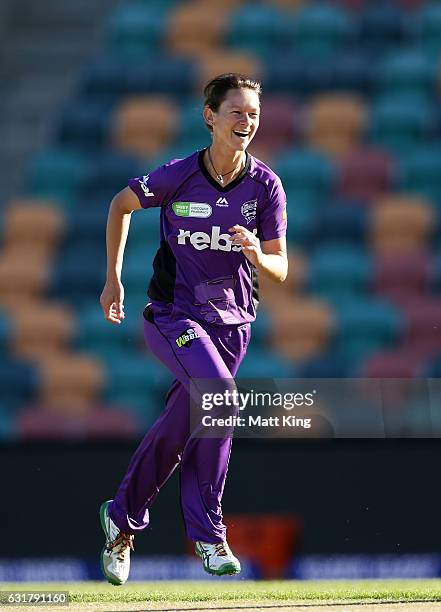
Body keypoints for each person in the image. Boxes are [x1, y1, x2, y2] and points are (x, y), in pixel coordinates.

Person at [99, 73, 288, 585]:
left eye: (253, 113)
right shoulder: (181, 175)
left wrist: (256, 253)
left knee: (178, 429)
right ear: (210, 117)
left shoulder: (265, 185)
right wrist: (114, 279)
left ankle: (121, 520)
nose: (246, 122)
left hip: (234, 326)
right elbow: (121, 204)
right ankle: (209, 533)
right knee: (220, 398)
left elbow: (281, 267)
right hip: (174, 317)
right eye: (236, 112)